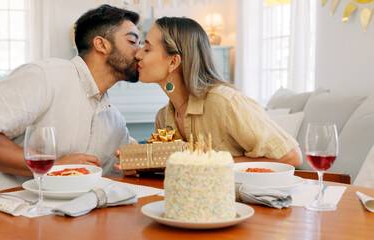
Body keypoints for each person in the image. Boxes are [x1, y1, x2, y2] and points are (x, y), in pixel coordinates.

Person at [0, 4, 140, 207]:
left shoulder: (114, 120)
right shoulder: (44, 77)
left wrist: (133, 165)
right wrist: (53, 167)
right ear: (102, 45)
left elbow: (123, 165)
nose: (140, 52)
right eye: (133, 41)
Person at [116, 16, 302, 176]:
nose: (138, 55)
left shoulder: (225, 102)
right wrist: (141, 165)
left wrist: (215, 162)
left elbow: (291, 156)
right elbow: (180, 170)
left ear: (174, 61)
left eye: (147, 49)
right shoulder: (163, 117)